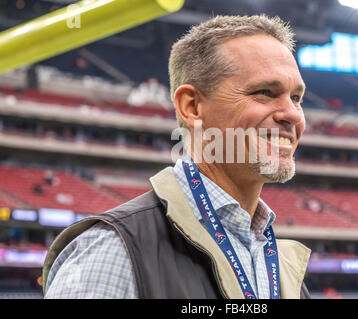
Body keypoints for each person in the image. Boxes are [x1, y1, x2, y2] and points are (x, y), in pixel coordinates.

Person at [42, 14, 311, 299]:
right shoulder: (114, 250)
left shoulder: (281, 267)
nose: (293, 115)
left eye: (296, 98)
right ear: (192, 107)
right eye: (265, 92)